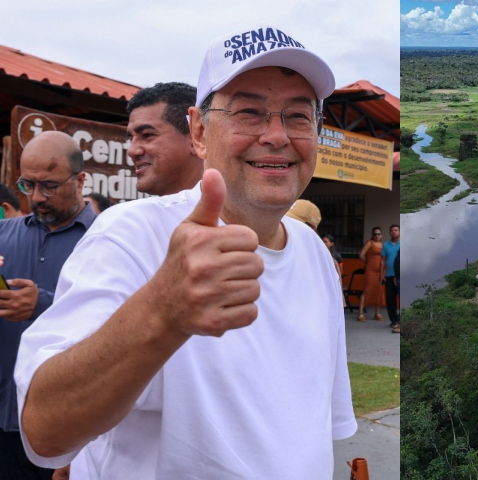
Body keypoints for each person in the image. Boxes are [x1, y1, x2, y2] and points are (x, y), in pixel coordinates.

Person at [15, 23, 356, 478]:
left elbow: (310, 432)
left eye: (298, 116)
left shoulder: (314, 255)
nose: (277, 136)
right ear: (199, 132)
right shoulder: (130, 236)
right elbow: (44, 431)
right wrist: (162, 311)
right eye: (249, 112)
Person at [0, 131, 96, 480]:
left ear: (81, 179)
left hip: (68, 431)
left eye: (49, 186)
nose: (37, 197)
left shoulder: (106, 241)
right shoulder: (3, 234)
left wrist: (43, 304)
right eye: (28, 185)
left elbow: (123, 320)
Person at [126, 82, 204, 196]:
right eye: (131, 138)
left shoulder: (236, 210)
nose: (131, 151)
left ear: (196, 138)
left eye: (147, 135)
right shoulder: (134, 214)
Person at [357, 227, 384, 322]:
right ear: (372, 235)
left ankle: (377, 313)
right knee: (367, 290)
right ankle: (360, 313)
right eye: (375, 234)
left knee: (379, 291)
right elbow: (361, 255)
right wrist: (368, 262)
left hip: (380, 271)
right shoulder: (369, 243)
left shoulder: (383, 245)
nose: (377, 236)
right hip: (370, 271)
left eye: (379, 234)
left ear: (381, 235)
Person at [381, 224, 400, 334]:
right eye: (392, 230)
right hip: (388, 275)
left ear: (399, 232)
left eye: (396, 230)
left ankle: (401, 320)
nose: (394, 232)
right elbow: (383, 260)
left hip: (401, 275)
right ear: (389, 232)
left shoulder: (403, 244)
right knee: (390, 298)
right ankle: (394, 320)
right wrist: (381, 274)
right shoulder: (386, 245)